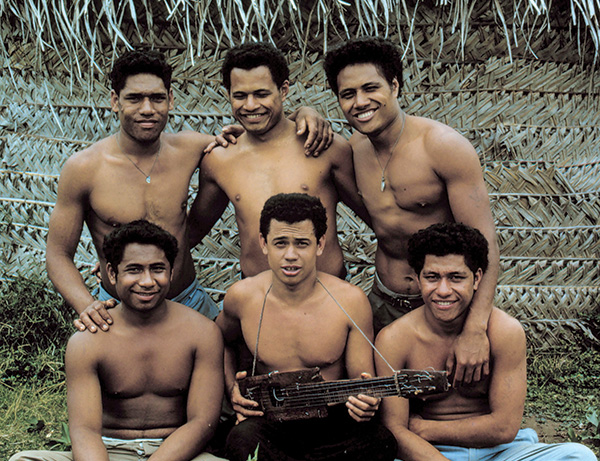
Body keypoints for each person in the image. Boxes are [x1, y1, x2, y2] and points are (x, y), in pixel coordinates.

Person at [46, 49, 332, 333]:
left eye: (157, 98)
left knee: (219, 372)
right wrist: (86, 305)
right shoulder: (84, 168)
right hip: (118, 308)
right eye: (134, 98)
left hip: (188, 300)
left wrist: (305, 112)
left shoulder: (193, 148)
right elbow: (58, 254)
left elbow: (264, 131)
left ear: (170, 100)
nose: (147, 109)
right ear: (114, 101)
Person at [360, 223, 599, 461]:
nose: (443, 291)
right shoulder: (395, 339)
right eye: (432, 277)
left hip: (499, 455)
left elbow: (503, 427)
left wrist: (426, 428)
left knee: (581, 460)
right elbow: (396, 433)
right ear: (417, 278)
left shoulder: (505, 331)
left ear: (477, 278)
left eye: (456, 278)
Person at [5, 220, 233, 461]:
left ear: (172, 270)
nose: (147, 281)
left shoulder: (202, 332)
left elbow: (202, 423)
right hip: (109, 454)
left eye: (158, 269)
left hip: (173, 460)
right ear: (112, 273)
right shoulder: (89, 339)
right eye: (134, 270)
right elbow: (84, 429)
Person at [324, 38, 500, 383]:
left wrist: (476, 329)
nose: (360, 102)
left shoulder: (442, 147)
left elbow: (486, 245)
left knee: (445, 399)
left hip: (443, 302)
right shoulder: (353, 151)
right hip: (382, 299)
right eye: (348, 94)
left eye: (370, 88)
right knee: (376, 406)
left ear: (394, 85)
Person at [217, 193, 396, 461]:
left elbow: (362, 380)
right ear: (263, 243)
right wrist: (231, 387)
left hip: (332, 424)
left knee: (381, 440)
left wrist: (365, 402)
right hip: (272, 422)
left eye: (301, 243)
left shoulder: (349, 301)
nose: (290, 255)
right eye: (280, 242)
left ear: (320, 244)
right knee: (240, 440)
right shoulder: (243, 297)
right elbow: (218, 343)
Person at [188, 42, 370, 279]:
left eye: (261, 94)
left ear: (283, 91)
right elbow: (194, 230)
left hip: (327, 296)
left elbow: (376, 215)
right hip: (259, 298)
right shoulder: (220, 160)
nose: (250, 105)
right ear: (228, 95)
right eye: (240, 96)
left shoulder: (324, 147)